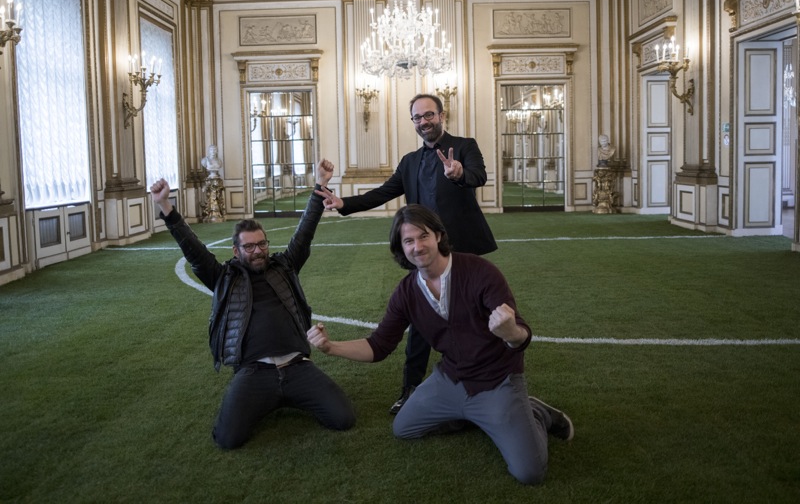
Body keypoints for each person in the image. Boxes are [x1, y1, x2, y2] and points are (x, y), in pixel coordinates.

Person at [307, 205, 573, 485]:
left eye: (423, 236)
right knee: (403, 427)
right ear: (401, 248)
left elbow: (521, 336)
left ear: (438, 236)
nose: (417, 246)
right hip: (451, 379)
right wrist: (331, 347)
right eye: (408, 241)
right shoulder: (406, 292)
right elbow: (379, 346)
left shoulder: (480, 271)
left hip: (497, 380)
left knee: (529, 473)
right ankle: (478, 415)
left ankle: (537, 413)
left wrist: (510, 333)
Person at [150, 159, 355, 449]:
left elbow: (305, 230)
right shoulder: (223, 277)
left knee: (343, 418)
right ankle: (270, 399)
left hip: (297, 366)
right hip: (254, 372)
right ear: (236, 251)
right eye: (249, 246)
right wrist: (165, 206)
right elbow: (193, 251)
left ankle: (285, 396)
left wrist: (320, 183)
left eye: (262, 244)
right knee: (228, 439)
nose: (257, 251)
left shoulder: (285, 266)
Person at [316, 93, 496, 414]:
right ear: (413, 121)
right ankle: (410, 389)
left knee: (473, 319)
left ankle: (485, 383)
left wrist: (459, 174)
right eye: (417, 117)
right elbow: (383, 192)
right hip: (424, 253)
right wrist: (344, 203)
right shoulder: (410, 161)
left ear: (441, 116)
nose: (424, 121)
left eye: (429, 115)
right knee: (421, 322)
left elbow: (478, 176)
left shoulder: (464, 146)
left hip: (462, 250)